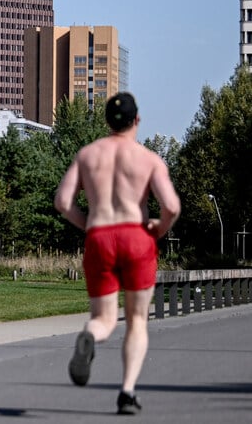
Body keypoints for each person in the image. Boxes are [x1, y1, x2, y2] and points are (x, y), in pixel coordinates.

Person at [54, 92, 180, 415]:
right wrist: (158, 229)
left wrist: (89, 226)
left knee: (104, 318)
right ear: (137, 120)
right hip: (136, 236)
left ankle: (89, 337)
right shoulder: (148, 159)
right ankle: (126, 391)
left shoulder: (88, 155)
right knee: (137, 319)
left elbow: (63, 203)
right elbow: (171, 206)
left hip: (100, 237)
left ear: (108, 121)